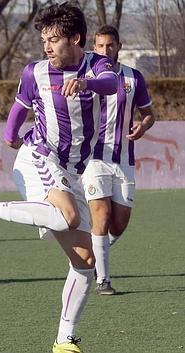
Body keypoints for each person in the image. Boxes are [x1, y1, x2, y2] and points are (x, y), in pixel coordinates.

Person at [0, 2, 118, 353]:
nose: (47, 46)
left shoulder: (98, 65)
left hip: (72, 171)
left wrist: (86, 81)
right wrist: (10, 136)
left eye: (54, 39)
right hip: (38, 158)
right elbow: (20, 106)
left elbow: (110, 84)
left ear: (76, 38)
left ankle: (64, 341)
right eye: (44, 39)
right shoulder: (35, 72)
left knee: (85, 261)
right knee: (71, 217)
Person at [83, 25, 155, 295]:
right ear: (93, 46)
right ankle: (103, 279)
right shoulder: (85, 76)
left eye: (109, 46)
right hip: (93, 159)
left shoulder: (133, 77)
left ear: (119, 46)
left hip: (124, 158)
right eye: (100, 46)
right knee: (100, 216)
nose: (105, 51)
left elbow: (149, 114)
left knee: (119, 224)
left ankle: (92, 254)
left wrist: (143, 126)